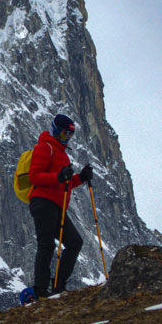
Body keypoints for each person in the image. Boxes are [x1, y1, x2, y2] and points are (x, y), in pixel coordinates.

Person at [26, 114, 93, 300]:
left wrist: (81, 177)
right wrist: (58, 176)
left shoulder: (62, 154)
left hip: (56, 205)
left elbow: (65, 183)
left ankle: (58, 284)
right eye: (64, 134)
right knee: (46, 245)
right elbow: (35, 176)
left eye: (70, 135)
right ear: (56, 130)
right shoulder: (45, 147)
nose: (67, 138)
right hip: (43, 202)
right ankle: (41, 290)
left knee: (74, 242)